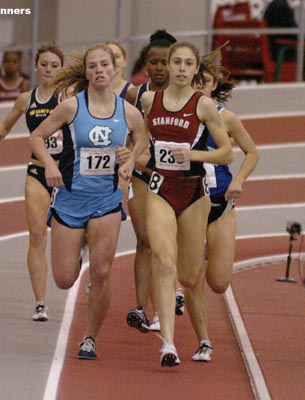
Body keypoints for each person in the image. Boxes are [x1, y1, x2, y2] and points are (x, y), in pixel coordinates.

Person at [30, 44, 148, 360]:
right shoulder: (71, 107)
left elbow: (144, 142)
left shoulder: (128, 112)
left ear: (114, 70)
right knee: (65, 278)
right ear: (87, 72)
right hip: (69, 199)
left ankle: (89, 338)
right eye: (93, 66)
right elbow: (36, 137)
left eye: (104, 66)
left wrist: (130, 157)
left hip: (106, 201)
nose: (98, 71)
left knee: (101, 272)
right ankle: (80, 247)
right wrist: (51, 165)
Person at [140, 41, 233, 366]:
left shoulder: (204, 106)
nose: (180, 68)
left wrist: (192, 154)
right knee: (163, 262)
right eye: (175, 62)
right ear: (167, 66)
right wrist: (131, 158)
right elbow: (140, 139)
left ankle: (201, 335)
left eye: (187, 63)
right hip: (160, 189)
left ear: (195, 70)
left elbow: (227, 152)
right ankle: (168, 343)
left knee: (191, 276)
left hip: (194, 193)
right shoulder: (150, 100)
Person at [186, 51, 259, 362]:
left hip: (220, 205)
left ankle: (205, 252)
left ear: (214, 86)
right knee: (191, 278)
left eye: (206, 83)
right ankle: (203, 341)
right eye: (196, 82)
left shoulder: (226, 118)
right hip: (188, 204)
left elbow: (252, 152)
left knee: (218, 282)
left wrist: (238, 180)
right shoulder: (178, 117)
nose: (201, 87)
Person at [0, 42, 64, 321]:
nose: (48, 70)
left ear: (62, 69)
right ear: (35, 67)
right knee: (37, 236)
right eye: (44, 65)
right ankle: (40, 302)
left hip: (66, 174)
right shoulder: (26, 99)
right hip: (37, 173)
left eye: (55, 66)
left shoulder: (69, 97)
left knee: (76, 236)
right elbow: (6, 122)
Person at [124, 29, 178, 334]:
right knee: (145, 238)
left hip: (174, 177)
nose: (158, 68)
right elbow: (127, 130)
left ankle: (166, 304)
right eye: (153, 62)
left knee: (166, 244)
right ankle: (140, 307)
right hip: (143, 174)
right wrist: (131, 154)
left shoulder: (188, 96)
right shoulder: (137, 95)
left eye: (164, 62)